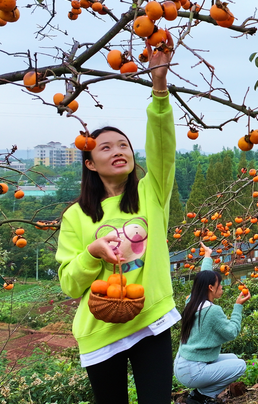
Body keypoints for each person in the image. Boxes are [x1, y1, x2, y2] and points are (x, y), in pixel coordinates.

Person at [56, 34, 179, 403]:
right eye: (105, 148)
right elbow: (69, 284)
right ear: (90, 164)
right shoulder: (75, 216)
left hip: (151, 321)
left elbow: (163, 148)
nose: (118, 151)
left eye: (123, 144)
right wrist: (92, 253)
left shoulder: (150, 193)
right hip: (100, 331)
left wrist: (159, 89)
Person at [175, 242, 250, 404]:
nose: (222, 287)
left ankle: (198, 395)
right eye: (219, 285)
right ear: (210, 287)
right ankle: (202, 397)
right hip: (192, 370)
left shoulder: (192, 301)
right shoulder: (211, 311)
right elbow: (232, 332)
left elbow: (204, 276)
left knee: (233, 358)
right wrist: (238, 307)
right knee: (240, 366)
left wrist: (207, 255)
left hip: (182, 363)